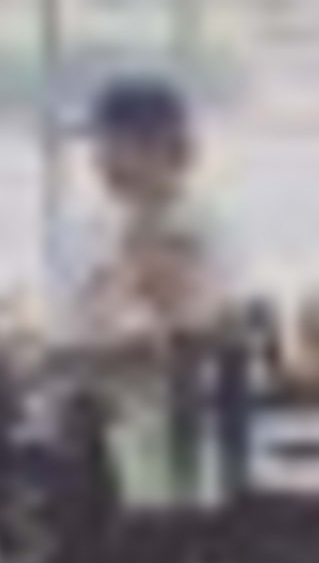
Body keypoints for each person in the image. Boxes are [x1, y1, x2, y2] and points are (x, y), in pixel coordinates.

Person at [43, 70, 244, 393]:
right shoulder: (94, 224)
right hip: (98, 397)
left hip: (176, 401)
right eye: (99, 146)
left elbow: (190, 326)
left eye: (110, 145)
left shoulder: (203, 226)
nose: (98, 161)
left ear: (158, 147)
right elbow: (80, 318)